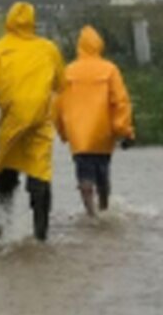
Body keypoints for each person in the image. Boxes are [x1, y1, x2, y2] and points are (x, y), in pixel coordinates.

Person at [0, 2, 65, 241]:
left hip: (12, 118)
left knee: (6, 168)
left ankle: (1, 228)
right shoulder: (48, 49)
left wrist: (7, 104)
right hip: (40, 119)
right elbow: (61, 84)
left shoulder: (0, 48)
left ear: (8, 21)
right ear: (32, 21)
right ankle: (41, 235)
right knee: (40, 172)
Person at [53, 25, 135, 219]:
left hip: (79, 136)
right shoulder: (110, 70)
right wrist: (125, 130)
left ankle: (91, 213)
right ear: (100, 45)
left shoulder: (67, 72)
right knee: (103, 172)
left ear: (79, 46)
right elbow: (120, 102)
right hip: (103, 134)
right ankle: (104, 207)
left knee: (84, 174)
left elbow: (57, 106)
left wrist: (64, 133)